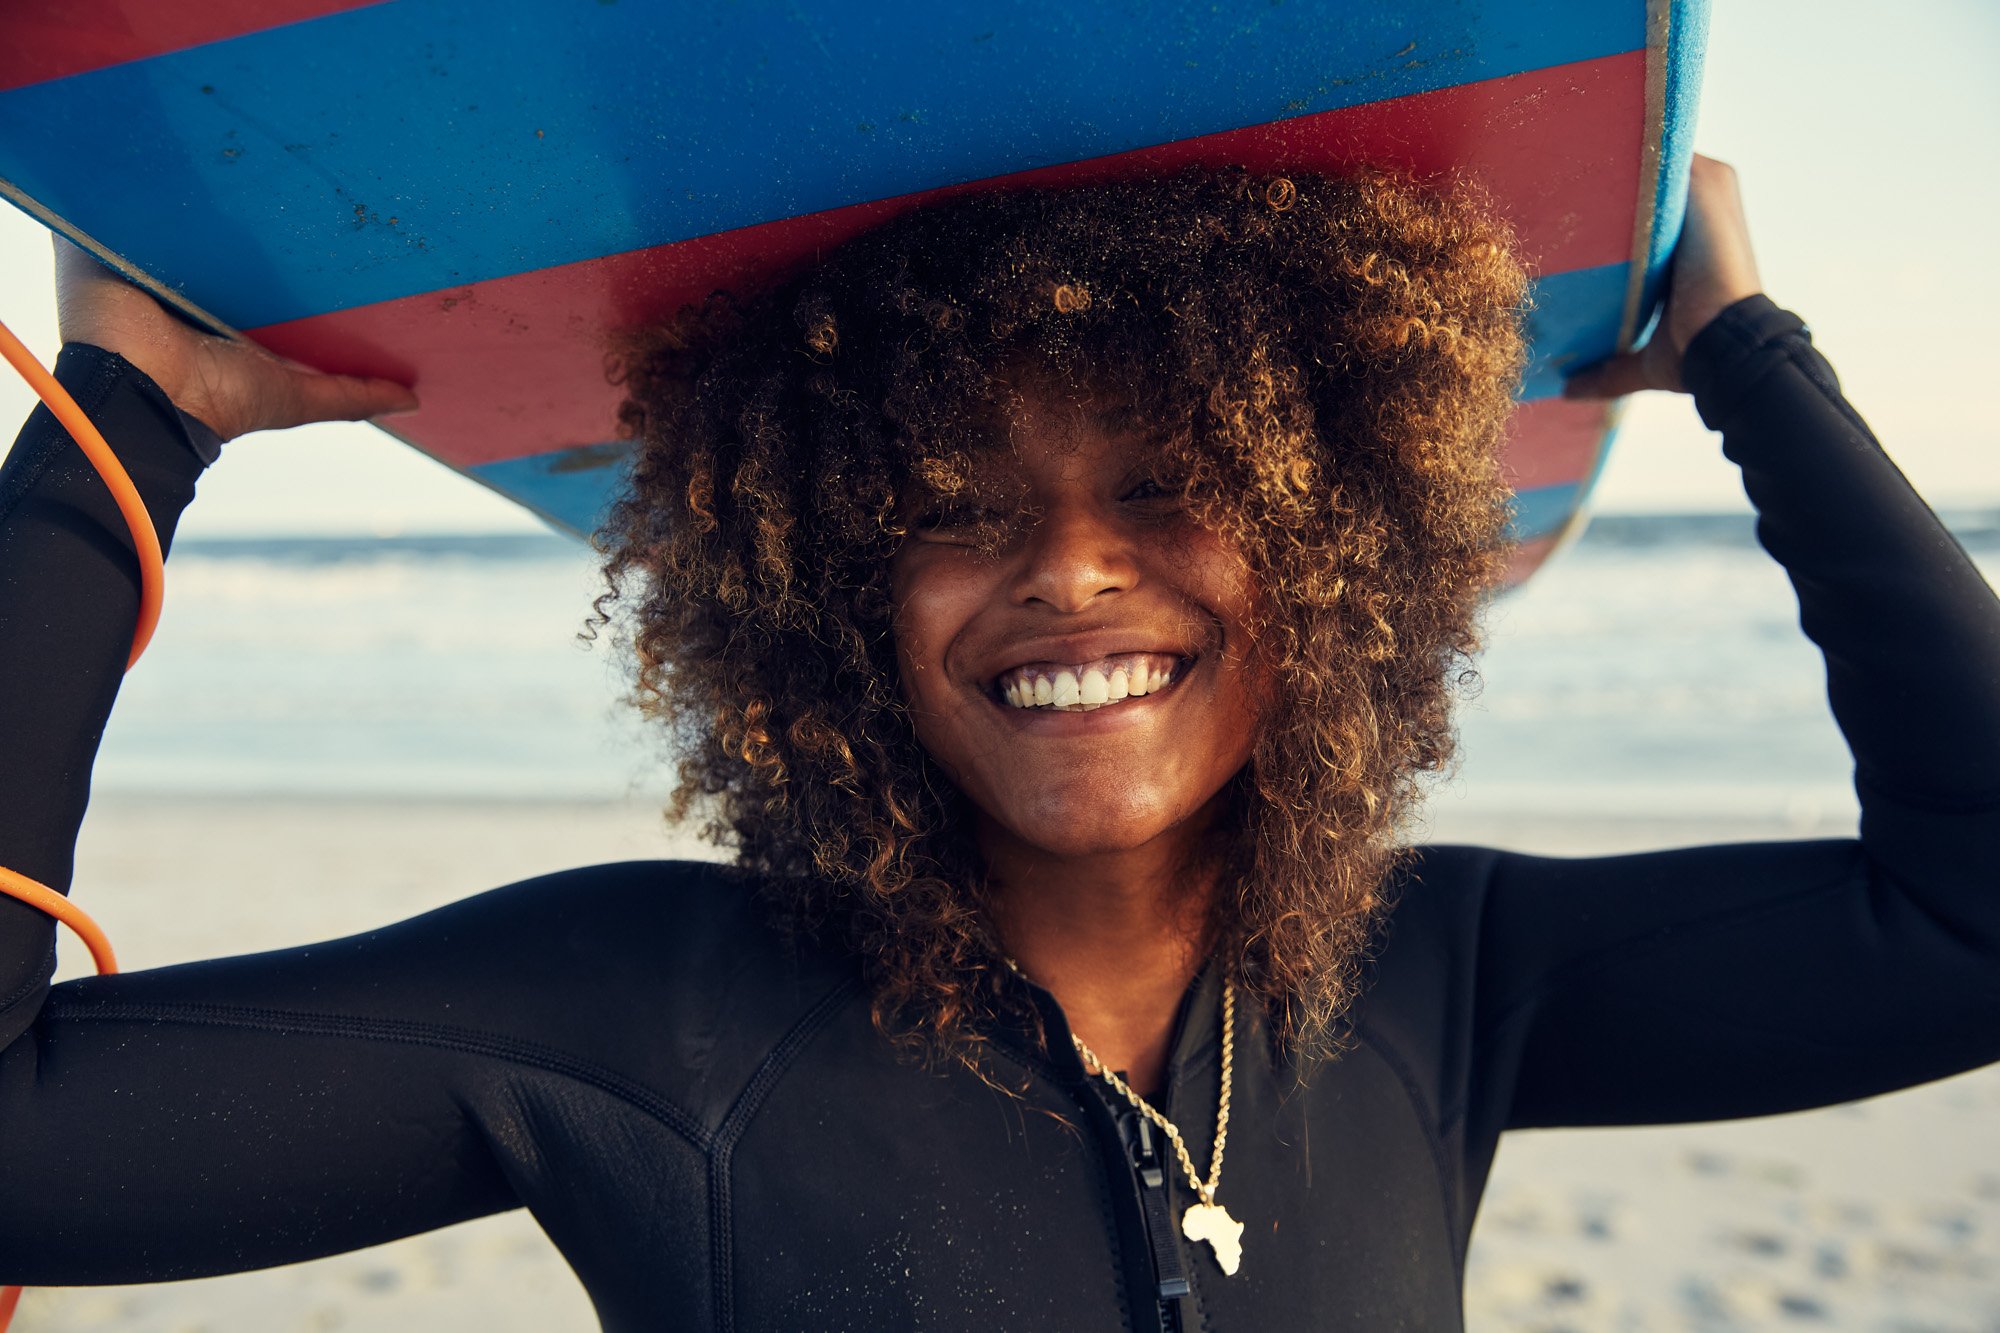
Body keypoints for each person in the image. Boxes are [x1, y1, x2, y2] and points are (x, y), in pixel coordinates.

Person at [0, 156, 1995, 1332]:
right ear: (823, 587)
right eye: (954, 504)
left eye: (1168, 484)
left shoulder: (1443, 979)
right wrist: (126, 430)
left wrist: (1753, 361)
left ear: (1328, 549)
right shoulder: (643, 1014)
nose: (1068, 571)